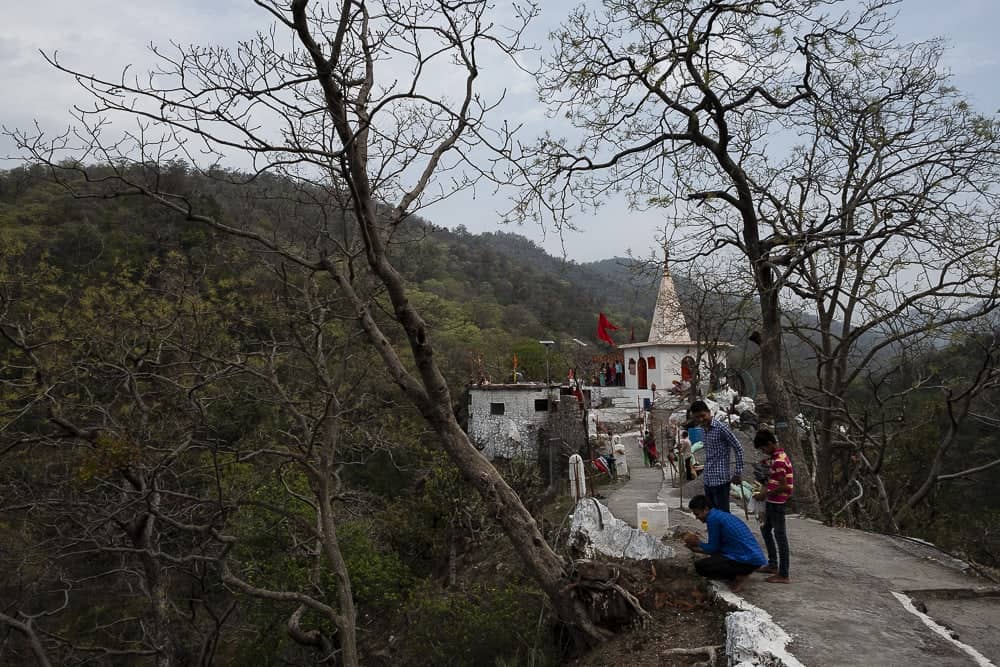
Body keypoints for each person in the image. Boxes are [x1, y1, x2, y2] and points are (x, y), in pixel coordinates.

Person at [682, 494, 766, 592]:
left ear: (705, 509)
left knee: (701, 567)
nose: (697, 518)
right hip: (754, 557)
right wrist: (697, 548)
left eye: (697, 514)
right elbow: (717, 548)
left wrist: (698, 543)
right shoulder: (719, 515)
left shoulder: (712, 519)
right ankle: (739, 573)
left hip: (748, 560)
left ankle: (740, 576)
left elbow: (713, 549)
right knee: (713, 560)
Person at [753, 429, 793, 584]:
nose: (764, 452)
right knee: (765, 529)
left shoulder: (779, 461)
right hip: (772, 501)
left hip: (777, 502)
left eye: (764, 448)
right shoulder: (777, 458)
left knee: (780, 536)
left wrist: (765, 494)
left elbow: (784, 486)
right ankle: (772, 564)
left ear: (770, 444)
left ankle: (783, 573)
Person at [690, 400, 744, 512]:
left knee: (723, 514)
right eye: (697, 417)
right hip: (708, 479)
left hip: (721, 480)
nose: (700, 419)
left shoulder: (721, 428)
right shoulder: (703, 430)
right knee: (711, 513)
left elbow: (738, 448)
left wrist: (738, 472)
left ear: (709, 412)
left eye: (702, 416)